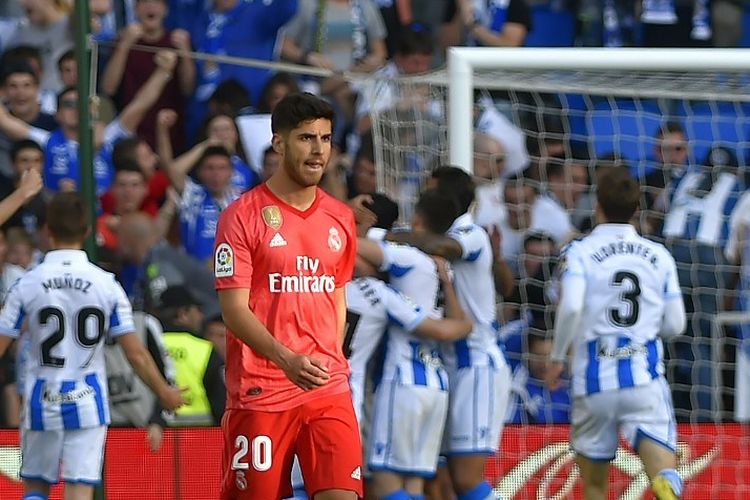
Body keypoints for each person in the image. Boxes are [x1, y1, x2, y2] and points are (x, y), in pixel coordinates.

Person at [214, 93, 362, 499]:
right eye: (306, 138)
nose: (318, 151)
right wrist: (286, 359)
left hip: (326, 388)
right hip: (262, 392)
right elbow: (233, 310)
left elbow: (335, 294)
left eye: (326, 138)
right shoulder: (241, 216)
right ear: (279, 143)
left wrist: (335, 359)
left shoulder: (341, 217)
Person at [0, 192, 184, 500]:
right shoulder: (106, 284)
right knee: (79, 487)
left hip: (40, 397)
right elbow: (135, 353)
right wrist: (164, 391)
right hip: (88, 399)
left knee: (35, 486)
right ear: (87, 231)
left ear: (47, 230)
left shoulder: (28, 283)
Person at [545, 167, 686, 500]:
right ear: (637, 208)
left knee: (595, 485)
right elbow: (676, 325)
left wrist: (556, 356)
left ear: (597, 204)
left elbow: (571, 307)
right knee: (664, 474)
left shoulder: (578, 252)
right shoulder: (660, 256)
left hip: (594, 381)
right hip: (643, 379)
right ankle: (666, 486)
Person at [386, 166, 511, 500]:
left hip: (476, 365)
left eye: (432, 189)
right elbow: (507, 286)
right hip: (443, 365)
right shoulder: (457, 235)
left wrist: (386, 238)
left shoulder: (468, 233)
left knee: (466, 480)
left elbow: (446, 247)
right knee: (436, 479)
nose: (426, 197)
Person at [158, 285, 226, 426]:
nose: (201, 316)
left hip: (151, 435)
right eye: (198, 310)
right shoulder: (204, 349)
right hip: (199, 435)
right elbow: (220, 404)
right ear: (183, 313)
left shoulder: (145, 345)